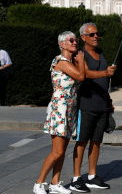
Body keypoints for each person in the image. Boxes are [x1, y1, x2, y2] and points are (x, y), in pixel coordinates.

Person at [33, 32, 85, 194]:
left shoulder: (71, 62)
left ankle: (55, 183)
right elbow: (81, 76)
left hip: (69, 109)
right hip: (59, 110)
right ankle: (39, 183)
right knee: (57, 151)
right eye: (71, 40)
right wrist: (81, 61)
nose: (75, 42)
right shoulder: (60, 61)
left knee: (62, 150)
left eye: (75, 40)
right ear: (62, 44)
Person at [71, 22, 115, 193]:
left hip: (102, 104)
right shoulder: (79, 54)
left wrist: (109, 100)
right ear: (83, 37)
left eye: (97, 33)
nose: (96, 36)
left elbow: (104, 80)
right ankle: (76, 178)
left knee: (96, 142)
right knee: (82, 142)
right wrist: (105, 73)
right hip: (86, 105)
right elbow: (86, 74)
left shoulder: (101, 53)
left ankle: (92, 176)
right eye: (92, 34)